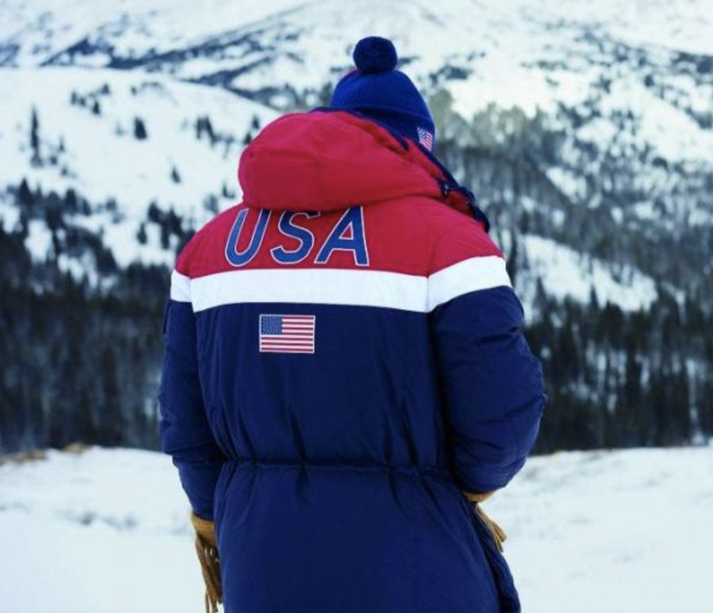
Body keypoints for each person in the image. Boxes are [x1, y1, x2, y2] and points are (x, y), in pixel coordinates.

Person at [158, 36, 546, 613]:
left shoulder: (209, 250)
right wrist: (456, 487)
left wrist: (219, 516)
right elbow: (503, 413)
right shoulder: (450, 243)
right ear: (418, 146)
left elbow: (186, 419)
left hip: (262, 565)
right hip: (419, 564)